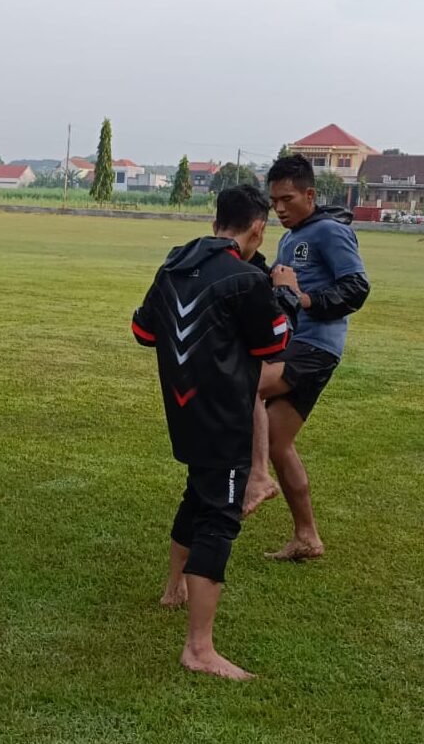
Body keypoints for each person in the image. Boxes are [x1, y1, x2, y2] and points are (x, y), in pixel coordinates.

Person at [132, 185, 291, 681]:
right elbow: (276, 346)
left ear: (216, 220)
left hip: (185, 414)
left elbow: (142, 332)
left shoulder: (174, 266)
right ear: (258, 229)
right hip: (225, 419)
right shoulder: (247, 280)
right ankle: (199, 649)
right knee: (219, 521)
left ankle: (173, 589)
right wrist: (284, 291)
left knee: (198, 495)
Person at [241, 154, 370, 560]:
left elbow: (357, 288)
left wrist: (305, 299)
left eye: (288, 199)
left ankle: (253, 478)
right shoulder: (291, 236)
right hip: (296, 345)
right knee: (278, 444)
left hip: (315, 347)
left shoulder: (329, 231)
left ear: (310, 195)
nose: (279, 208)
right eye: (274, 201)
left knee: (245, 384)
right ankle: (307, 538)